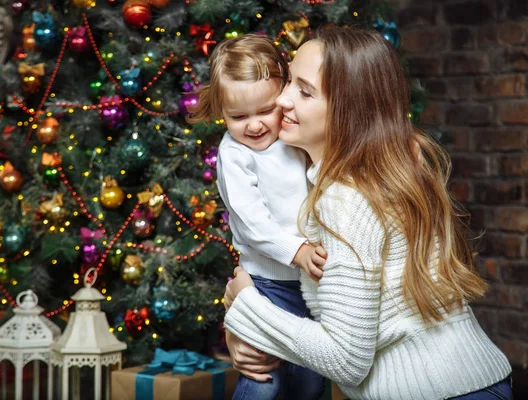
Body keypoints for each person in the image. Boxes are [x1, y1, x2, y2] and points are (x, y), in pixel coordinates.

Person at [223, 27, 513, 400]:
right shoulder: (371, 174)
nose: (281, 101)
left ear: (349, 111)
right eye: (289, 82)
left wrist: (247, 305)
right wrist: (244, 328)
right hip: (474, 379)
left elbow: (345, 360)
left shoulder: (346, 200)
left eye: (304, 91)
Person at [188, 34, 327, 399]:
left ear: (283, 92)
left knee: (310, 381)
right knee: (264, 378)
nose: (254, 126)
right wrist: (297, 251)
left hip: (311, 285)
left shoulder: (292, 135)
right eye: (238, 116)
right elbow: (252, 225)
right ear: (222, 112)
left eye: (266, 110)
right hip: (267, 285)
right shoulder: (235, 155)